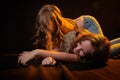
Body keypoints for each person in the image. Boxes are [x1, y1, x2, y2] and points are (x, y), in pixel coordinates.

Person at [18, 4, 120, 66]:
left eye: (47, 26)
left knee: (102, 52)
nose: (44, 29)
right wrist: (49, 57)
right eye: (42, 25)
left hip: (87, 25)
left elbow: (61, 53)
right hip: (82, 38)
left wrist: (40, 53)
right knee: (99, 48)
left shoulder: (69, 33)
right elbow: (55, 52)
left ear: (56, 24)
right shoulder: (46, 33)